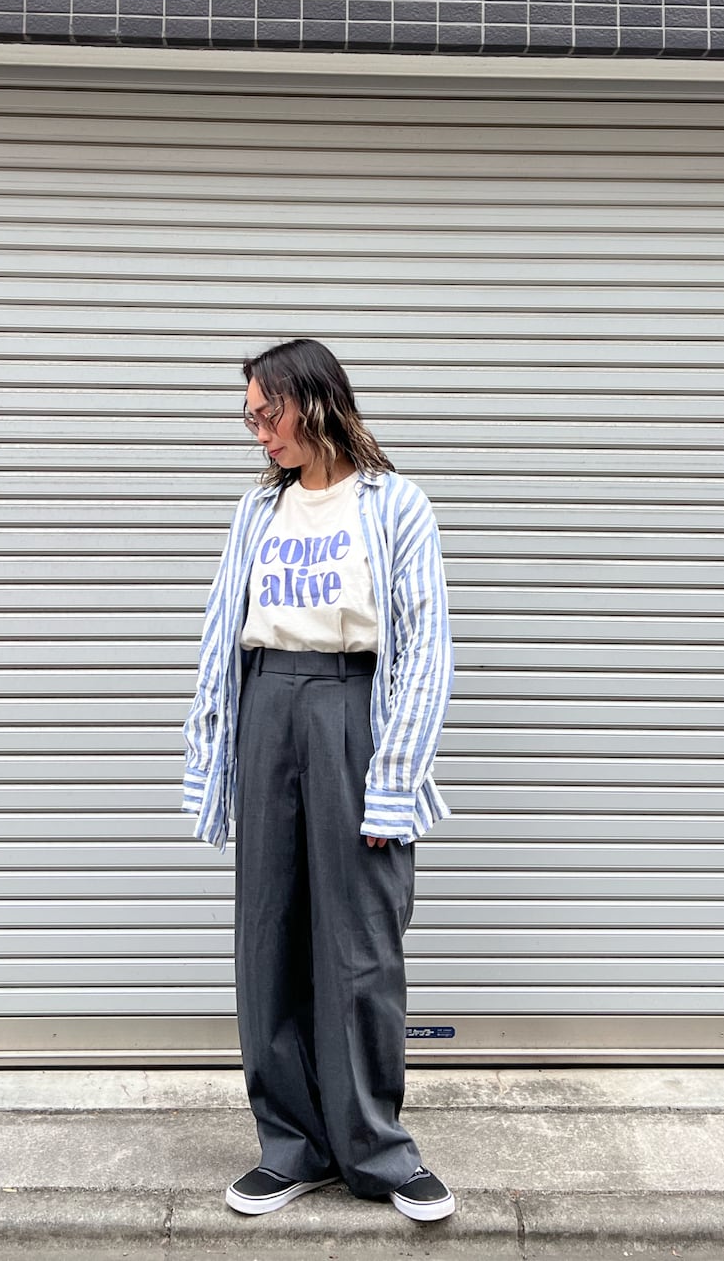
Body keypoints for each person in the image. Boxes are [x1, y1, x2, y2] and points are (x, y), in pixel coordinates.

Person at [181, 338, 456, 1221]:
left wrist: (396, 778)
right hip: (269, 705)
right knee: (269, 936)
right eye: (250, 419)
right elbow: (222, 632)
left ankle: (377, 1151)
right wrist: (213, 757)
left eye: (269, 413)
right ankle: (291, 1147)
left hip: (353, 708)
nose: (260, 433)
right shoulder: (257, 511)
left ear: (317, 401)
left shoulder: (396, 505)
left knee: (361, 941)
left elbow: (427, 652)